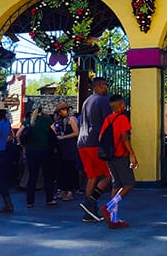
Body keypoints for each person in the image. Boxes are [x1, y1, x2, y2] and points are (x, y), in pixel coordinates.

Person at [99, 94, 138, 229]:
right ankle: (108, 207)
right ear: (121, 106)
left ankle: (114, 219)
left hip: (110, 156)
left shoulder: (108, 119)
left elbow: (100, 137)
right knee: (129, 184)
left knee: (116, 185)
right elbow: (125, 138)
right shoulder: (122, 118)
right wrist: (132, 154)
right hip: (121, 155)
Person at [77, 76, 112, 223]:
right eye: (106, 86)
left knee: (92, 176)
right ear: (101, 86)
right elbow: (108, 123)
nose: (107, 89)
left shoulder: (86, 101)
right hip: (95, 143)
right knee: (109, 175)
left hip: (82, 142)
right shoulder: (104, 101)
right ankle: (90, 202)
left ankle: (88, 213)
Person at [16, 107, 56, 208]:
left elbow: (18, 134)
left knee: (32, 176)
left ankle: (30, 201)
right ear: (42, 112)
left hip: (31, 151)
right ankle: (49, 199)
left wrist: (23, 147)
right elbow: (54, 133)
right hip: (45, 151)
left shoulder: (28, 121)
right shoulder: (47, 120)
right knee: (48, 176)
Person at [52, 101, 80, 201]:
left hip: (70, 147)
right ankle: (63, 189)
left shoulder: (71, 119)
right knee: (62, 169)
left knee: (70, 169)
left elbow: (76, 132)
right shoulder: (61, 121)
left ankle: (70, 191)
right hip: (62, 148)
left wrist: (63, 137)